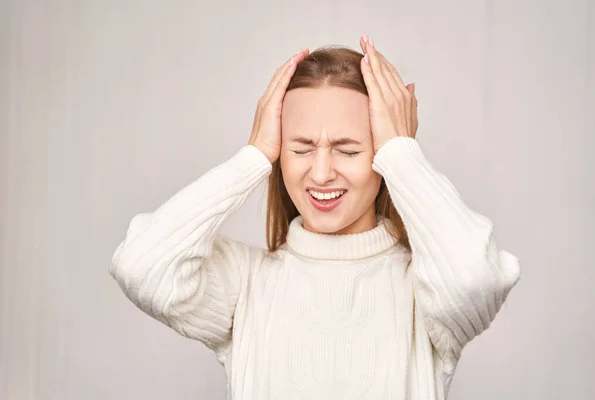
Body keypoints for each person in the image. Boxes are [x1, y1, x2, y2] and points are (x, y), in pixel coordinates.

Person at [110, 34, 521, 399]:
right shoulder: (246, 284)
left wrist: (401, 150)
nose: (321, 173)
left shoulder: (425, 291)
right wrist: (252, 157)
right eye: (301, 148)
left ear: (381, 155)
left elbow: (474, 279)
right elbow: (141, 266)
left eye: (348, 150)